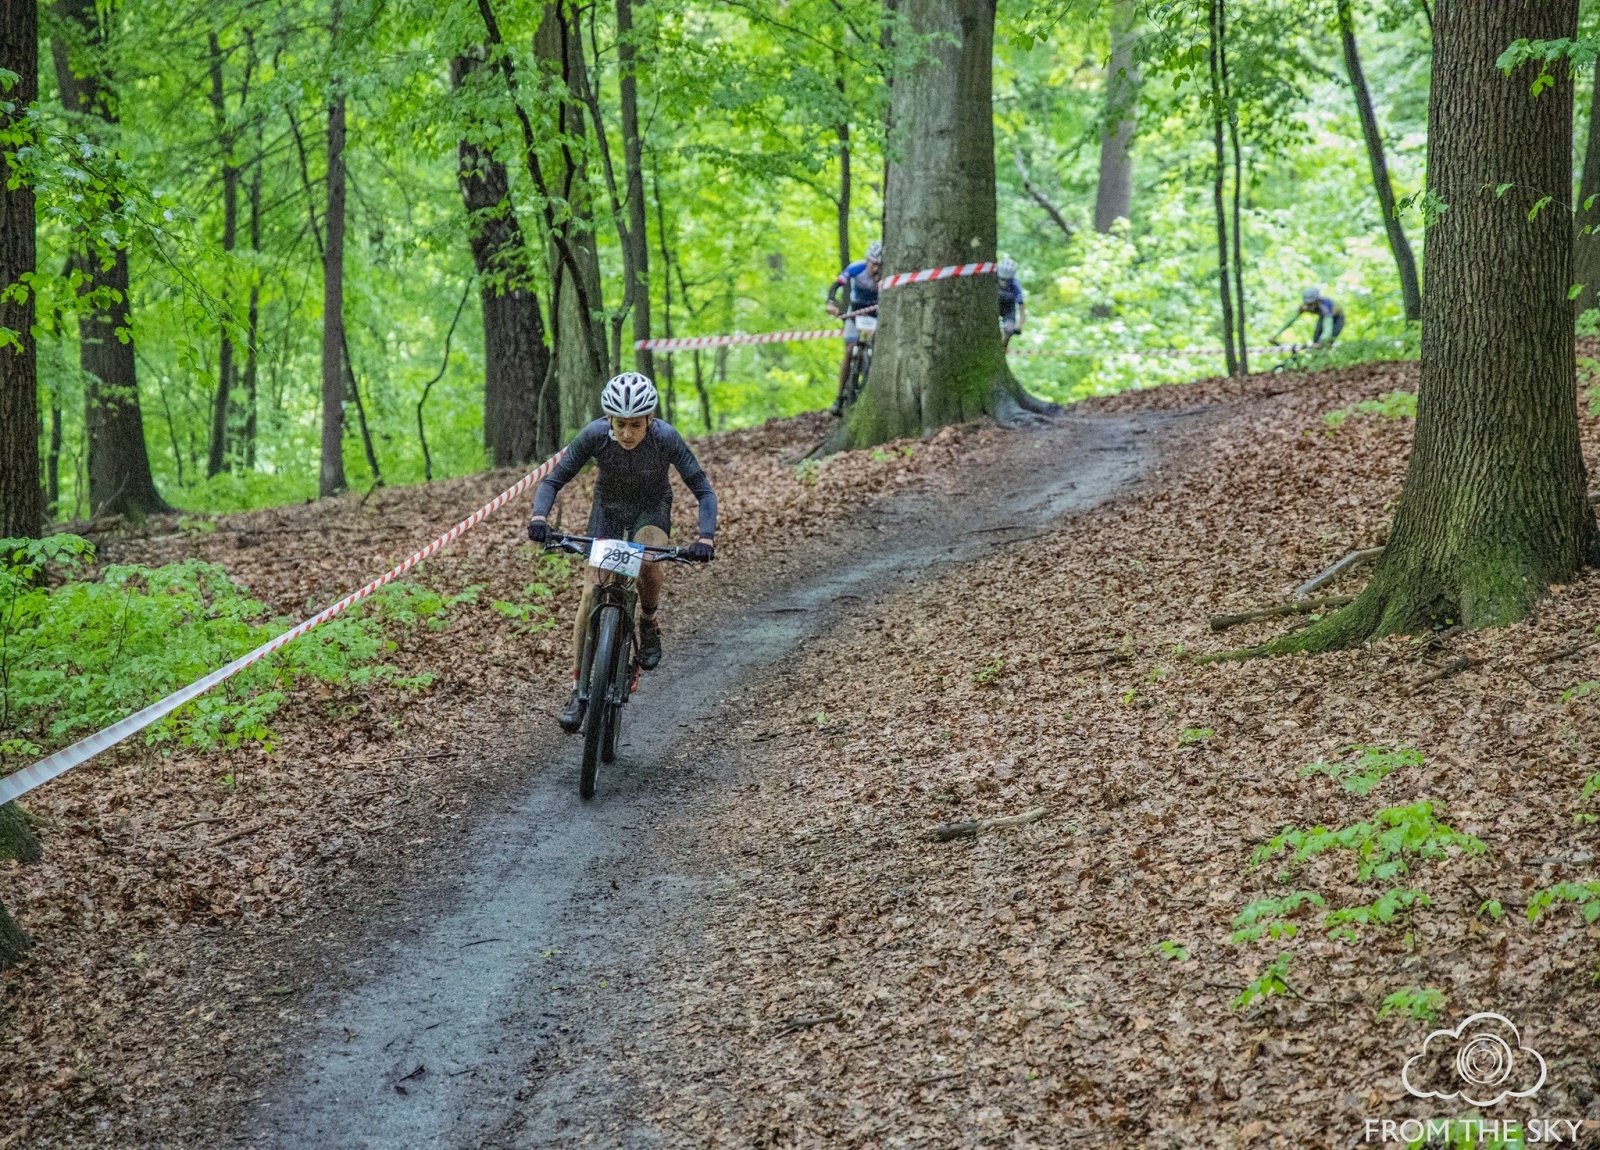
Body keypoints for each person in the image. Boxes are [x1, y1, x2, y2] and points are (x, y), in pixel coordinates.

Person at [526, 372, 717, 733]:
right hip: (609, 509)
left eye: (635, 425)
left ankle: (647, 621)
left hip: (651, 506)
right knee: (588, 593)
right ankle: (578, 690)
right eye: (619, 425)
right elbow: (553, 479)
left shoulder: (666, 439)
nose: (627, 434)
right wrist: (539, 517)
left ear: (650, 419)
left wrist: (705, 538)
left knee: (647, 561)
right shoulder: (595, 435)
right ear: (608, 420)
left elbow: (704, 491)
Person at [825, 239, 883, 415]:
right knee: (849, 350)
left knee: (876, 349)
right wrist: (831, 303)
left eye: (880, 265)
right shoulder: (856, 268)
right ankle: (839, 397)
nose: (876, 269)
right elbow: (836, 285)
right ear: (867, 260)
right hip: (855, 313)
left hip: (876, 315)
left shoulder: (886, 275)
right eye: (874, 264)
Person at [1271, 287, 1345, 348]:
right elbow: (1290, 321)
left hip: (1337, 319)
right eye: (1308, 304)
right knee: (1315, 339)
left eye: (1312, 304)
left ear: (1317, 301)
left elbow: (1328, 327)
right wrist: (1276, 335)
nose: (1310, 307)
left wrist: (1321, 342)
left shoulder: (1325, 306)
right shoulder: (1304, 307)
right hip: (1323, 318)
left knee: (1325, 342)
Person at [997, 257, 1026, 350]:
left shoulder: (1015, 286)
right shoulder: (991, 280)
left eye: (1007, 280)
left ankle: (1002, 349)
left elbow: (1022, 309)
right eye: (1002, 279)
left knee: (1008, 330)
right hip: (995, 306)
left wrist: (1019, 326)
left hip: (1008, 310)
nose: (1004, 282)